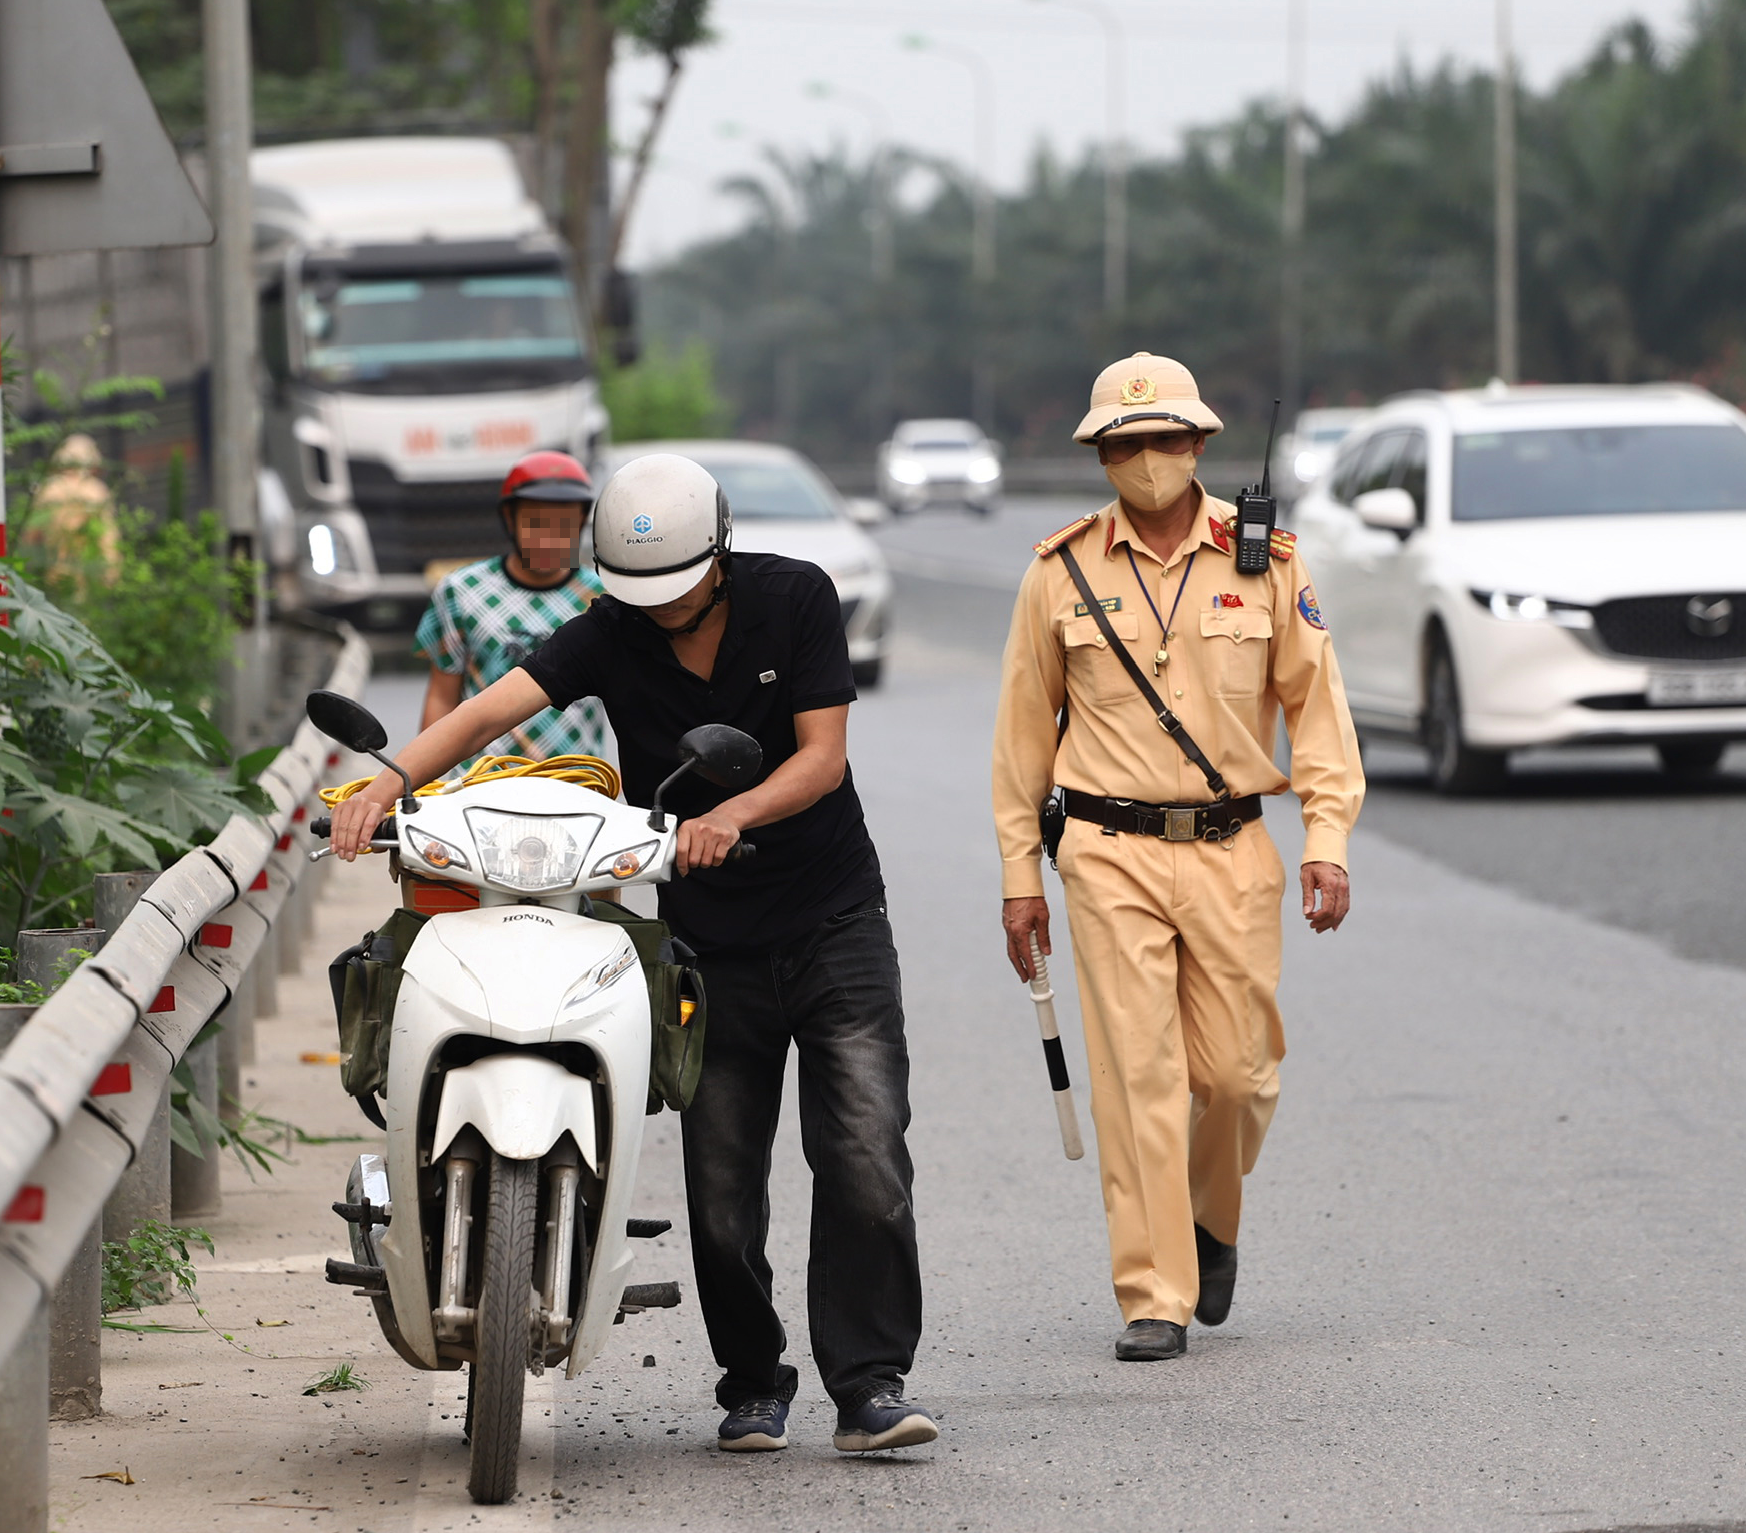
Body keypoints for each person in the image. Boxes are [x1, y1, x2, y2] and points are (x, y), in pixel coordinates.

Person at [331, 451, 933, 1456]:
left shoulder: (796, 597)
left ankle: (870, 1383)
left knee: (866, 1153)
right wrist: (385, 784)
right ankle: (753, 1381)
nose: (660, 611)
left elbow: (822, 757)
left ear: (719, 557)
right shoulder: (611, 627)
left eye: (679, 593)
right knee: (722, 1187)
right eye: (639, 594)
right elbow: (486, 710)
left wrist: (728, 814)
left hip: (833, 918)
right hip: (709, 936)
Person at [989, 352, 1364, 1362]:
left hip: (1233, 846)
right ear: (1100, 456)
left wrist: (1326, 838)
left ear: (1199, 443)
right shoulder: (1059, 570)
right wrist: (1021, 876)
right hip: (1106, 852)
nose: (1146, 457)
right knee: (1139, 1076)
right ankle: (1154, 1289)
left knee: (1237, 1076)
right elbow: (1021, 740)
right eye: (1125, 443)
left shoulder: (1266, 561)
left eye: (1163, 439)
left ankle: (1210, 1221)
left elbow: (1317, 713)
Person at [414, 451, 607, 767]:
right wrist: (427, 779)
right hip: (481, 781)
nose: (549, 538)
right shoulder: (461, 591)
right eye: (536, 524)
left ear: (582, 522)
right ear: (510, 519)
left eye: (564, 525)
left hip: (576, 782)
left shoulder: (603, 597)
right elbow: (441, 697)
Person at [24, 433, 122, 595]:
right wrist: (112, 569)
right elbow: (108, 537)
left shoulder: (47, 491)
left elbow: (30, 537)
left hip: (53, 568)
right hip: (89, 569)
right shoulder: (95, 491)